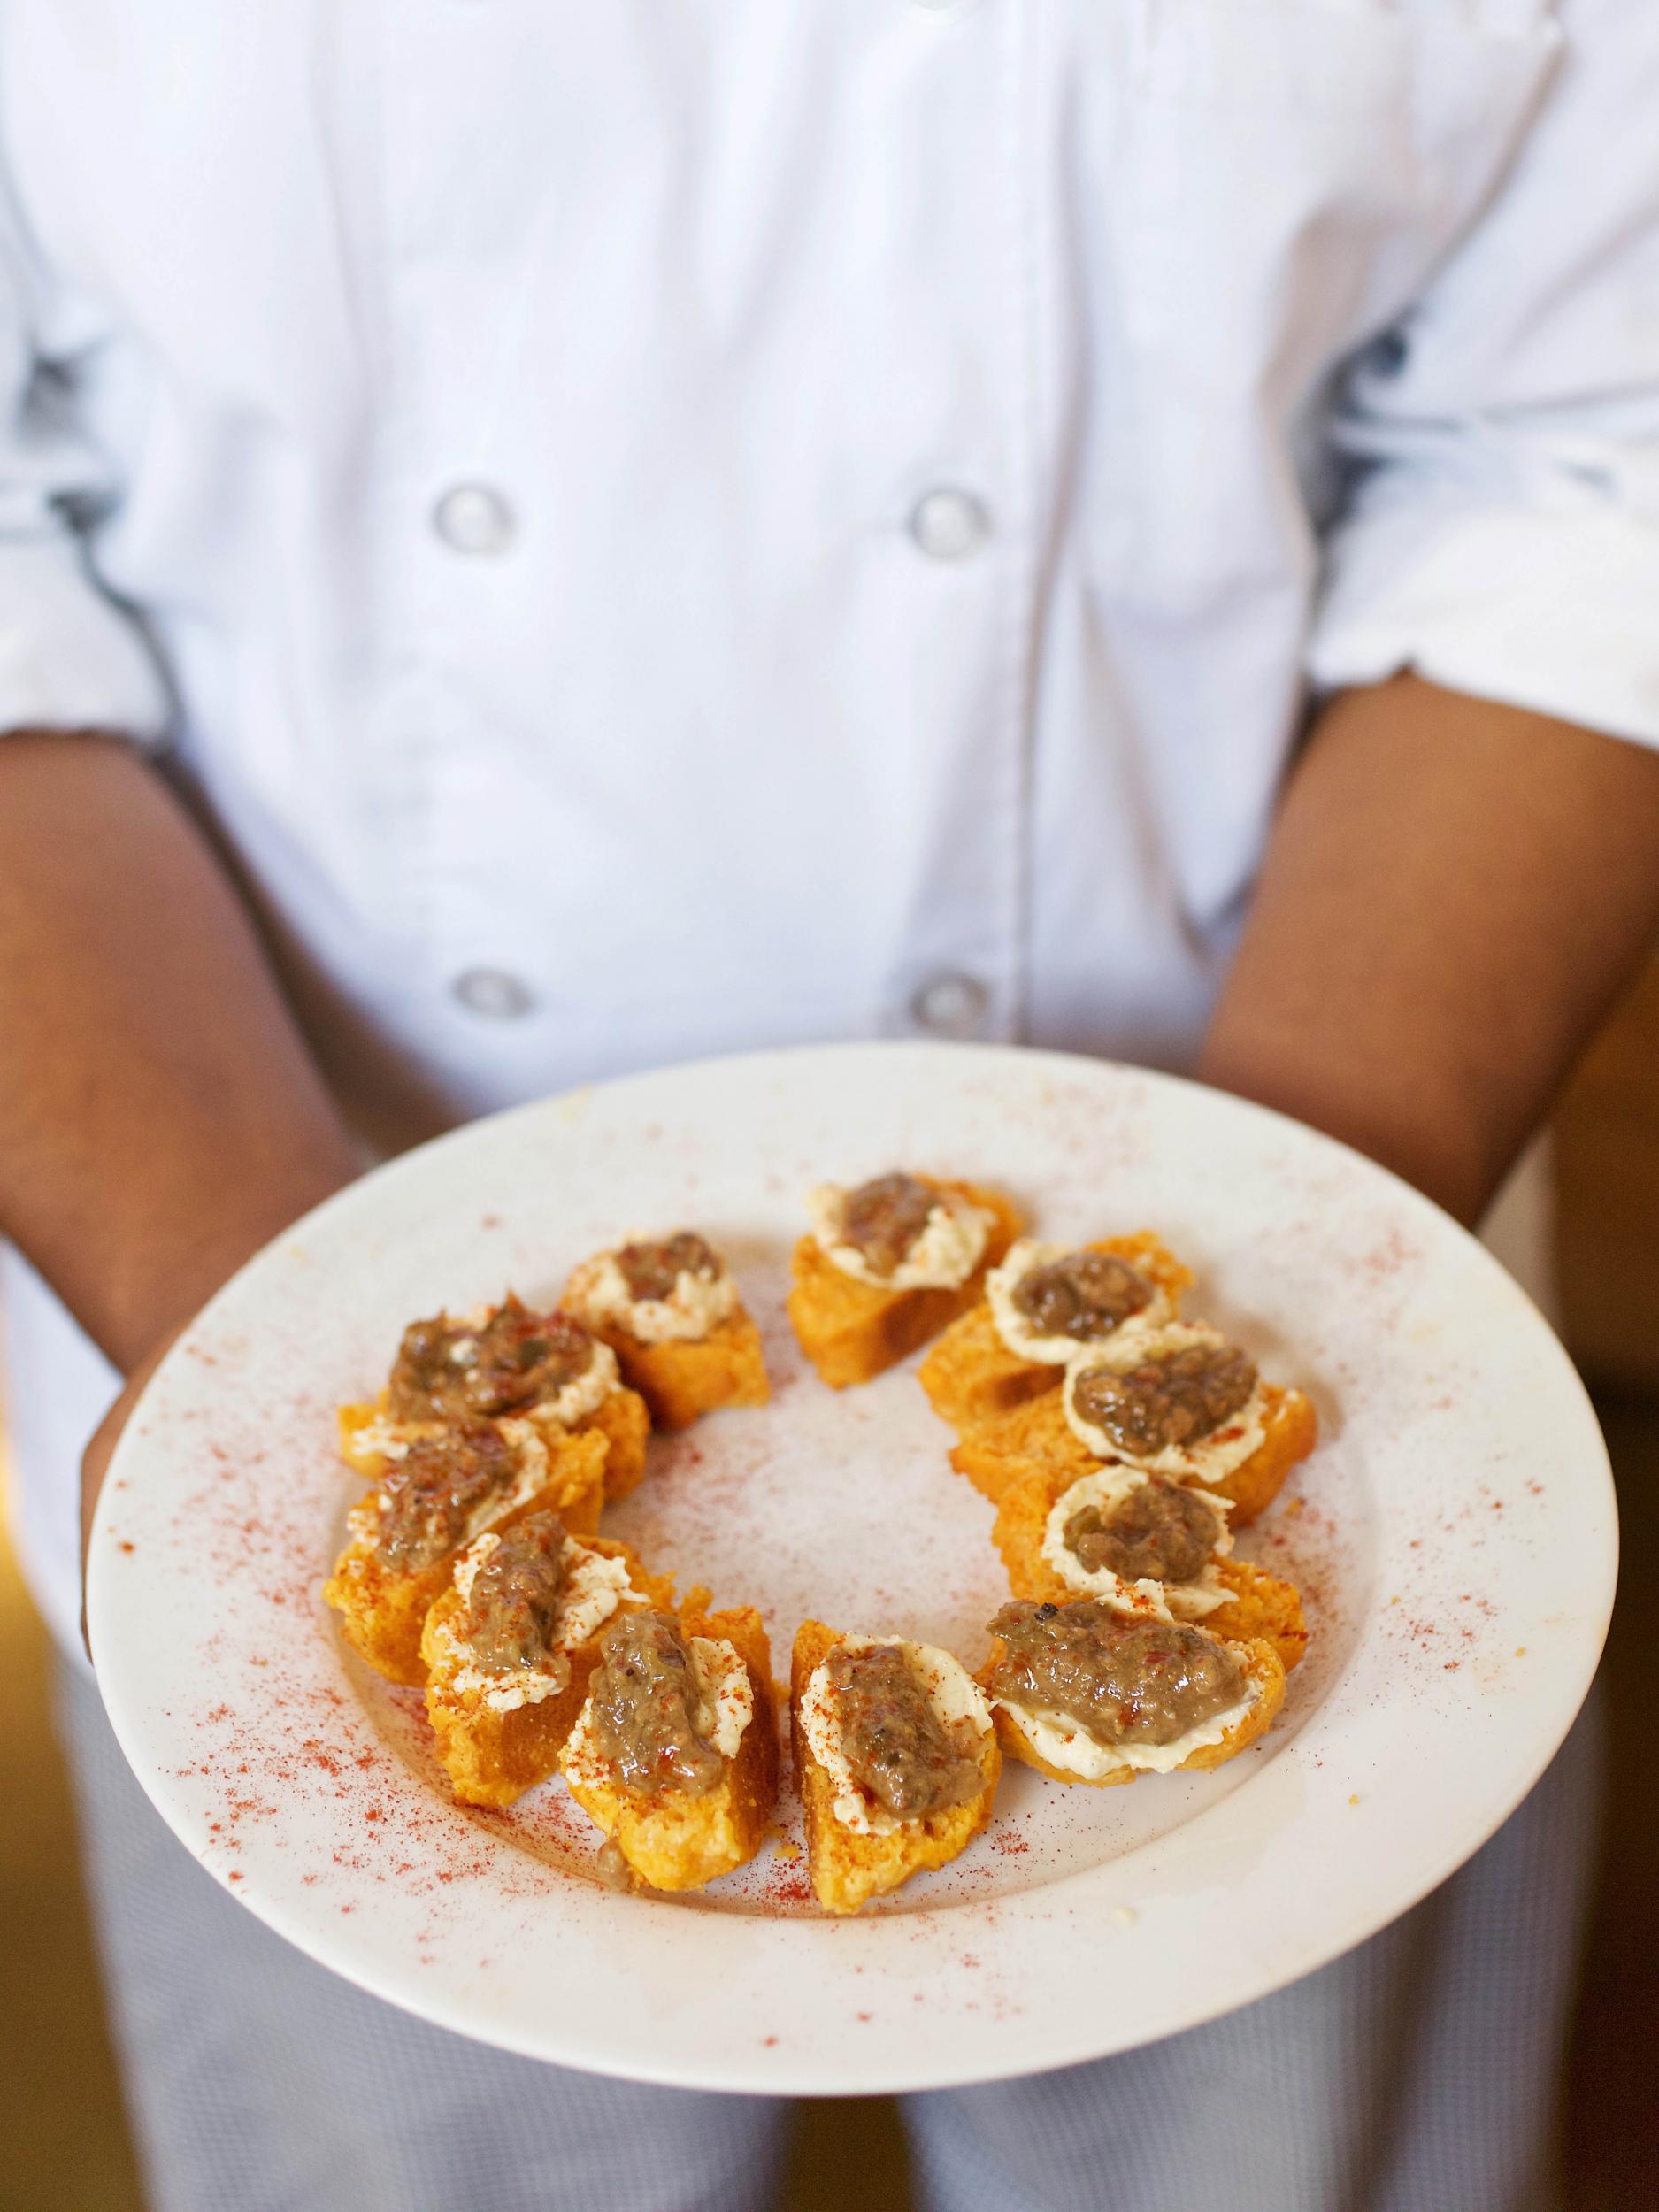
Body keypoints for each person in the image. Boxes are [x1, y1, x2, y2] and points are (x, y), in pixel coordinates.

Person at [2, 4, 1658, 2209]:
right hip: (218, 1211)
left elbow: (1595, 462)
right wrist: (251, 1326)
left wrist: (1274, 1244)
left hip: (1327, 1169)